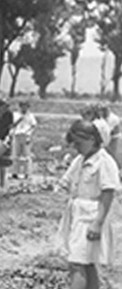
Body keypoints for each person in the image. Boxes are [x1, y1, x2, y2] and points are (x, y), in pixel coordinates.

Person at [58, 120, 121, 289]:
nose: (76, 147)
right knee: (87, 262)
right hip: (77, 216)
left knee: (77, 263)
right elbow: (67, 180)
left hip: (91, 217)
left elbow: (108, 192)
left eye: (79, 143)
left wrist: (98, 223)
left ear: (92, 140)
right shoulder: (80, 159)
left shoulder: (104, 162)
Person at [11, 100, 37, 179]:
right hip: (17, 135)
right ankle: (15, 172)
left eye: (25, 106)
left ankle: (27, 173)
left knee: (27, 156)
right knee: (15, 155)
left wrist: (30, 135)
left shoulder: (30, 116)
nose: (24, 108)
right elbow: (12, 125)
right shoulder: (15, 115)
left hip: (26, 136)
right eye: (22, 106)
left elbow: (33, 126)